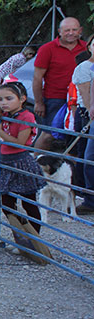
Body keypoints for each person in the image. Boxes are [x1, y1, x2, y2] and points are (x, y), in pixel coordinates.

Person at [0, 81, 46, 253]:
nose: (4, 103)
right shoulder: (4, 115)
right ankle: (20, 236)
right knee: (6, 202)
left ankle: (34, 240)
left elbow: (20, 142)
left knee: (29, 202)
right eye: (1, 99)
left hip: (20, 162)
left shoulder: (26, 116)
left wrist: (0, 131)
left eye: (9, 98)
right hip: (5, 162)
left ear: (22, 99)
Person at [33, 18, 87, 128]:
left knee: (77, 133)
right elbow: (37, 78)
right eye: (67, 30)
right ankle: (35, 147)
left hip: (81, 99)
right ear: (59, 31)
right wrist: (39, 102)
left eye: (74, 30)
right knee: (49, 135)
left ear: (80, 31)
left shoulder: (87, 48)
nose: (71, 33)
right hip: (55, 98)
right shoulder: (47, 49)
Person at [70, 41, 94, 214]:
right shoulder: (85, 68)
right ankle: (88, 197)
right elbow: (86, 95)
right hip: (86, 115)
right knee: (86, 156)